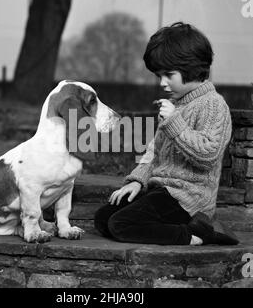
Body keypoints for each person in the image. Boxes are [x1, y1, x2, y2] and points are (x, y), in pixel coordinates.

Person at [94, 22, 239, 246]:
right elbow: (154, 152)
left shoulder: (213, 105)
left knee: (120, 224)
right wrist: (137, 181)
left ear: (191, 67)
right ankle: (184, 228)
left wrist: (173, 122)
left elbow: (208, 156)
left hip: (189, 198)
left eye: (168, 74)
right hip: (162, 191)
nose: (162, 82)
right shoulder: (176, 105)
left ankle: (195, 235)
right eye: (158, 75)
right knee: (103, 218)